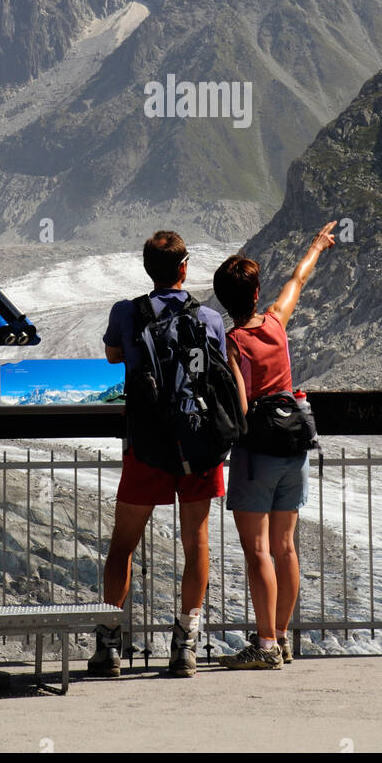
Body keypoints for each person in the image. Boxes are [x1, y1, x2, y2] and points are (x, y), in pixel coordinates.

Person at [88, 230, 228, 679]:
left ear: (148, 269)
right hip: (197, 445)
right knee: (196, 544)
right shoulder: (209, 318)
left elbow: (113, 356)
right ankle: (185, 644)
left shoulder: (126, 313)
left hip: (146, 444)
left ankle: (109, 645)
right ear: (184, 267)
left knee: (123, 545)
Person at [212, 221, 337, 670]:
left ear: (224, 300)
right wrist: (317, 244)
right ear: (256, 290)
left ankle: (263, 645)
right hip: (294, 450)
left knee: (258, 550)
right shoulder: (277, 322)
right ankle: (281, 636)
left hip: (256, 456)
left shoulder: (232, 342)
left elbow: (242, 406)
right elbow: (298, 279)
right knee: (286, 547)